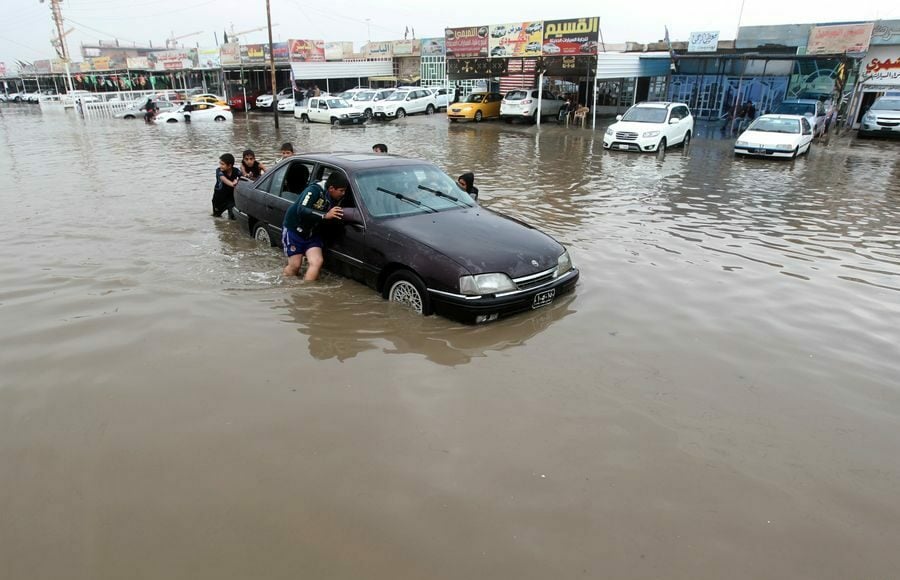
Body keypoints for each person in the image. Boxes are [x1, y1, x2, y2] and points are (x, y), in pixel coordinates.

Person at [282, 172, 348, 281]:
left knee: (317, 262)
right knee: (295, 266)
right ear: (331, 188)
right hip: (294, 230)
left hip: (312, 233)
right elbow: (301, 209)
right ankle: (285, 286)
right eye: (341, 191)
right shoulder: (314, 190)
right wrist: (325, 215)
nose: (343, 193)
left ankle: (306, 293)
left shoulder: (336, 198)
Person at [213, 153, 242, 219]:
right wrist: (233, 184)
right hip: (219, 199)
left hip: (231, 198)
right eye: (220, 163)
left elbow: (243, 178)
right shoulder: (219, 171)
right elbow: (224, 179)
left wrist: (238, 181)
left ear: (229, 166)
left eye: (222, 164)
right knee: (217, 217)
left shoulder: (236, 171)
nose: (220, 166)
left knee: (233, 218)